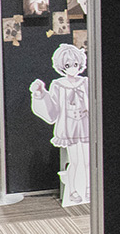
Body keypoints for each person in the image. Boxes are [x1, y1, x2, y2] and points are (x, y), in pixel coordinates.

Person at [29, 43, 89, 207]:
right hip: (70, 127)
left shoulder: (85, 82)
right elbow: (53, 110)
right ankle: (73, 190)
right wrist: (40, 93)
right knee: (74, 161)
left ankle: (88, 188)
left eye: (75, 64)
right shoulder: (58, 85)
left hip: (85, 124)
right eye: (68, 65)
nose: (72, 68)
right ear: (61, 66)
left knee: (88, 160)